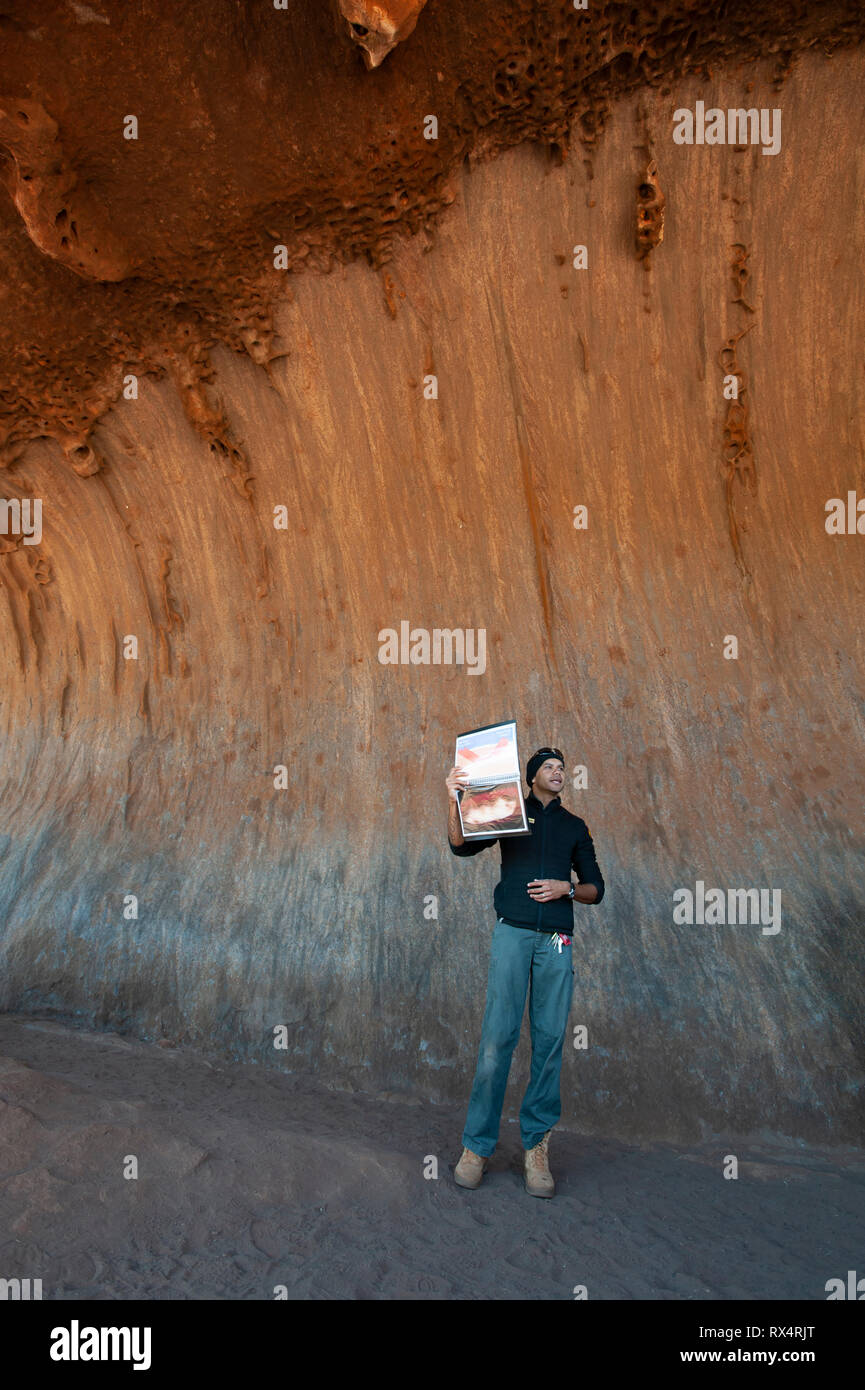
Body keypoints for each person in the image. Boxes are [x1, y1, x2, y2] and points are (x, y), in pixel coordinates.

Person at [446, 747, 605, 1198]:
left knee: (551, 1040)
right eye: (550, 768)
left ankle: (536, 1147)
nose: (558, 773)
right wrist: (454, 798)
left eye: (562, 768)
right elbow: (462, 846)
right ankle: (476, 1147)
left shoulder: (574, 827)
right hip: (512, 934)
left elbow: (597, 888)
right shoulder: (509, 810)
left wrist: (567, 888)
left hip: (556, 941)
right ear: (532, 776)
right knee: (498, 1039)